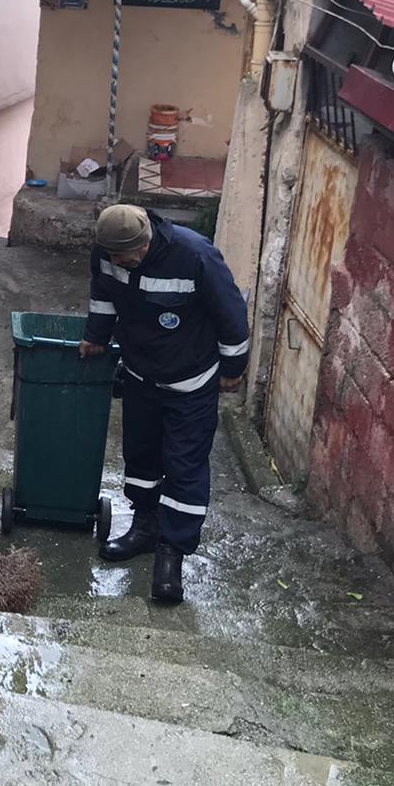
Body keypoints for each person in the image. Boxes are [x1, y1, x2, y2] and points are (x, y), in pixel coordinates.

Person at [79, 204, 250, 604]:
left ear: (146, 241)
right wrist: (96, 336)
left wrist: (233, 367)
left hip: (191, 381)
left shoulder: (195, 256)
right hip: (140, 374)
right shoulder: (105, 254)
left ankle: (171, 555)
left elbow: (231, 313)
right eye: (113, 256)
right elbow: (102, 295)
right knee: (141, 458)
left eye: (126, 255)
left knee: (184, 465)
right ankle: (144, 526)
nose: (119, 262)